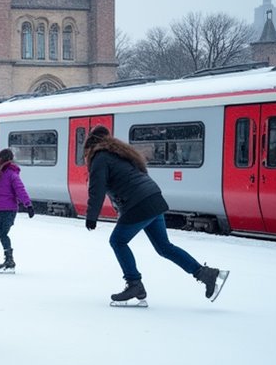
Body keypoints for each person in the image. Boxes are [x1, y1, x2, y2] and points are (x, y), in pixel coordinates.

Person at [83, 125, 229, 306]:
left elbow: (97, 189)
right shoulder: (120, 154)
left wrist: (91, 216)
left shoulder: (100, 157)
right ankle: (206, 274)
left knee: (118, 241)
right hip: (154, 199)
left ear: (90, 145)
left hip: (140, 204)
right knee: (164, 247)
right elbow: (129, 181)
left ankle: (134, 284)